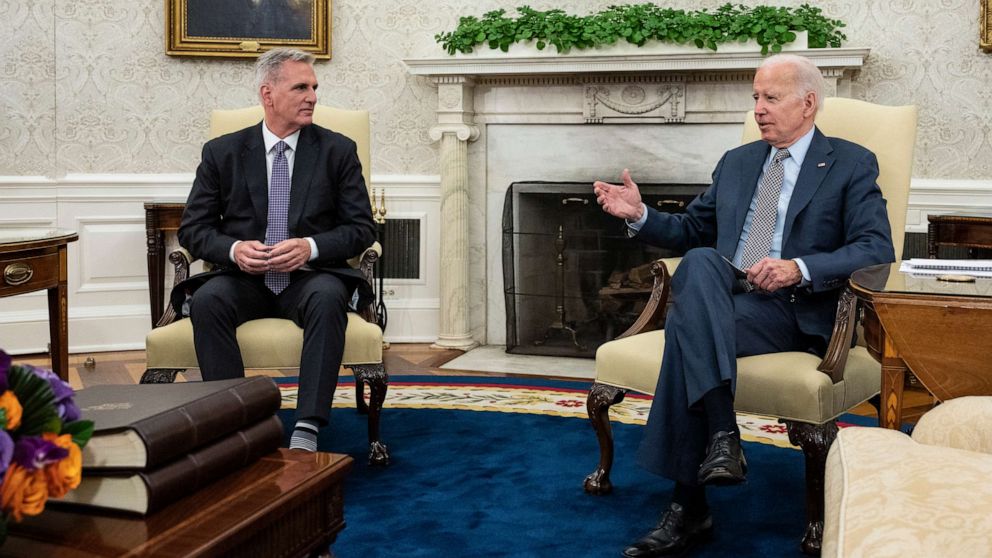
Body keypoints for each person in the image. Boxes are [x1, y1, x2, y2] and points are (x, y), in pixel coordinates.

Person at [593, 54, 895, 557]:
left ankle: (688, 505)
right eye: (755, 97)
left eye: (771, 98)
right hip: (728, 296)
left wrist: (797, 266)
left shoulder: (850, 162)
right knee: (704, 262)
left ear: (808, 103)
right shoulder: (738, 162)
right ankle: (723, 433)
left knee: (688, 329)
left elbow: (874, 248)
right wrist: (640, 214)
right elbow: (691, 231)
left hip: (794, 308)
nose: (758, 109)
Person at [174, 48, 375, 453]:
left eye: (314, 87)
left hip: (310, 279)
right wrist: (233, 250)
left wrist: (310, 247)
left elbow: (361, 228)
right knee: (209, 299)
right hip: (243, 280)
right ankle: (236, 421)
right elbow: (193, 229)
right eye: (300, 87)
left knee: (328, 296)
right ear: (268, 94)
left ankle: (307, 426)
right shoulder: (222, 152)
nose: (312, 97)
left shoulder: (338, 150)